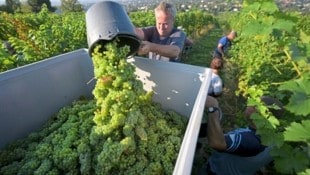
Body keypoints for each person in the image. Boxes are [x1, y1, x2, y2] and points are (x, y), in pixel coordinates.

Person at [203, 95, 284, 175]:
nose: (249, 103)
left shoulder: (252, 140)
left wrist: (213, 108)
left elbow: (217, 143)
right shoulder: (272, 139)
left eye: (254, 103)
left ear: (264, 114)